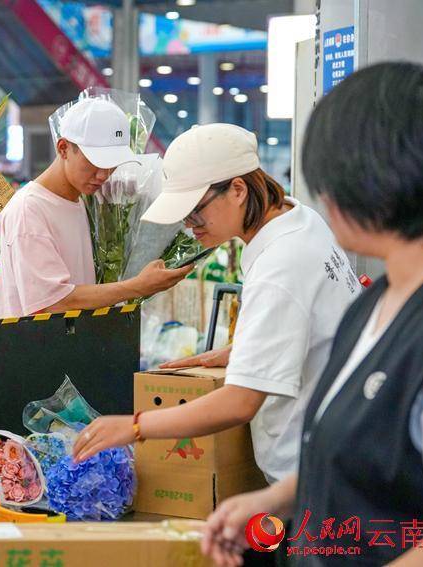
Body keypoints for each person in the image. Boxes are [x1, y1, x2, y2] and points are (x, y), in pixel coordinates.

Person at [202, 62, 423, 567]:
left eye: (334, 179)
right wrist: (276, 498)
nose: (325, 199)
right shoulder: (374, 305)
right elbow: (357, 457)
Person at [72, 122, 360, 488]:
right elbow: (315, 326)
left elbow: (239, 403)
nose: (189, 225)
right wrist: (245, 351)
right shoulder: (300, 219)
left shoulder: (278, 266)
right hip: (334, 454)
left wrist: (134, 426)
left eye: (195, 210)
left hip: (314, 476)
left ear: (238, 189)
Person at [0, 98, 192, 319]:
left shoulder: (86, 202)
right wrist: (137, 286)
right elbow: (55, 303)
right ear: (63, 148)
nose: (103, 175)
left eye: (111, 164)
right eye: (95, 163)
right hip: (36, 341)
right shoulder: (30, 210)